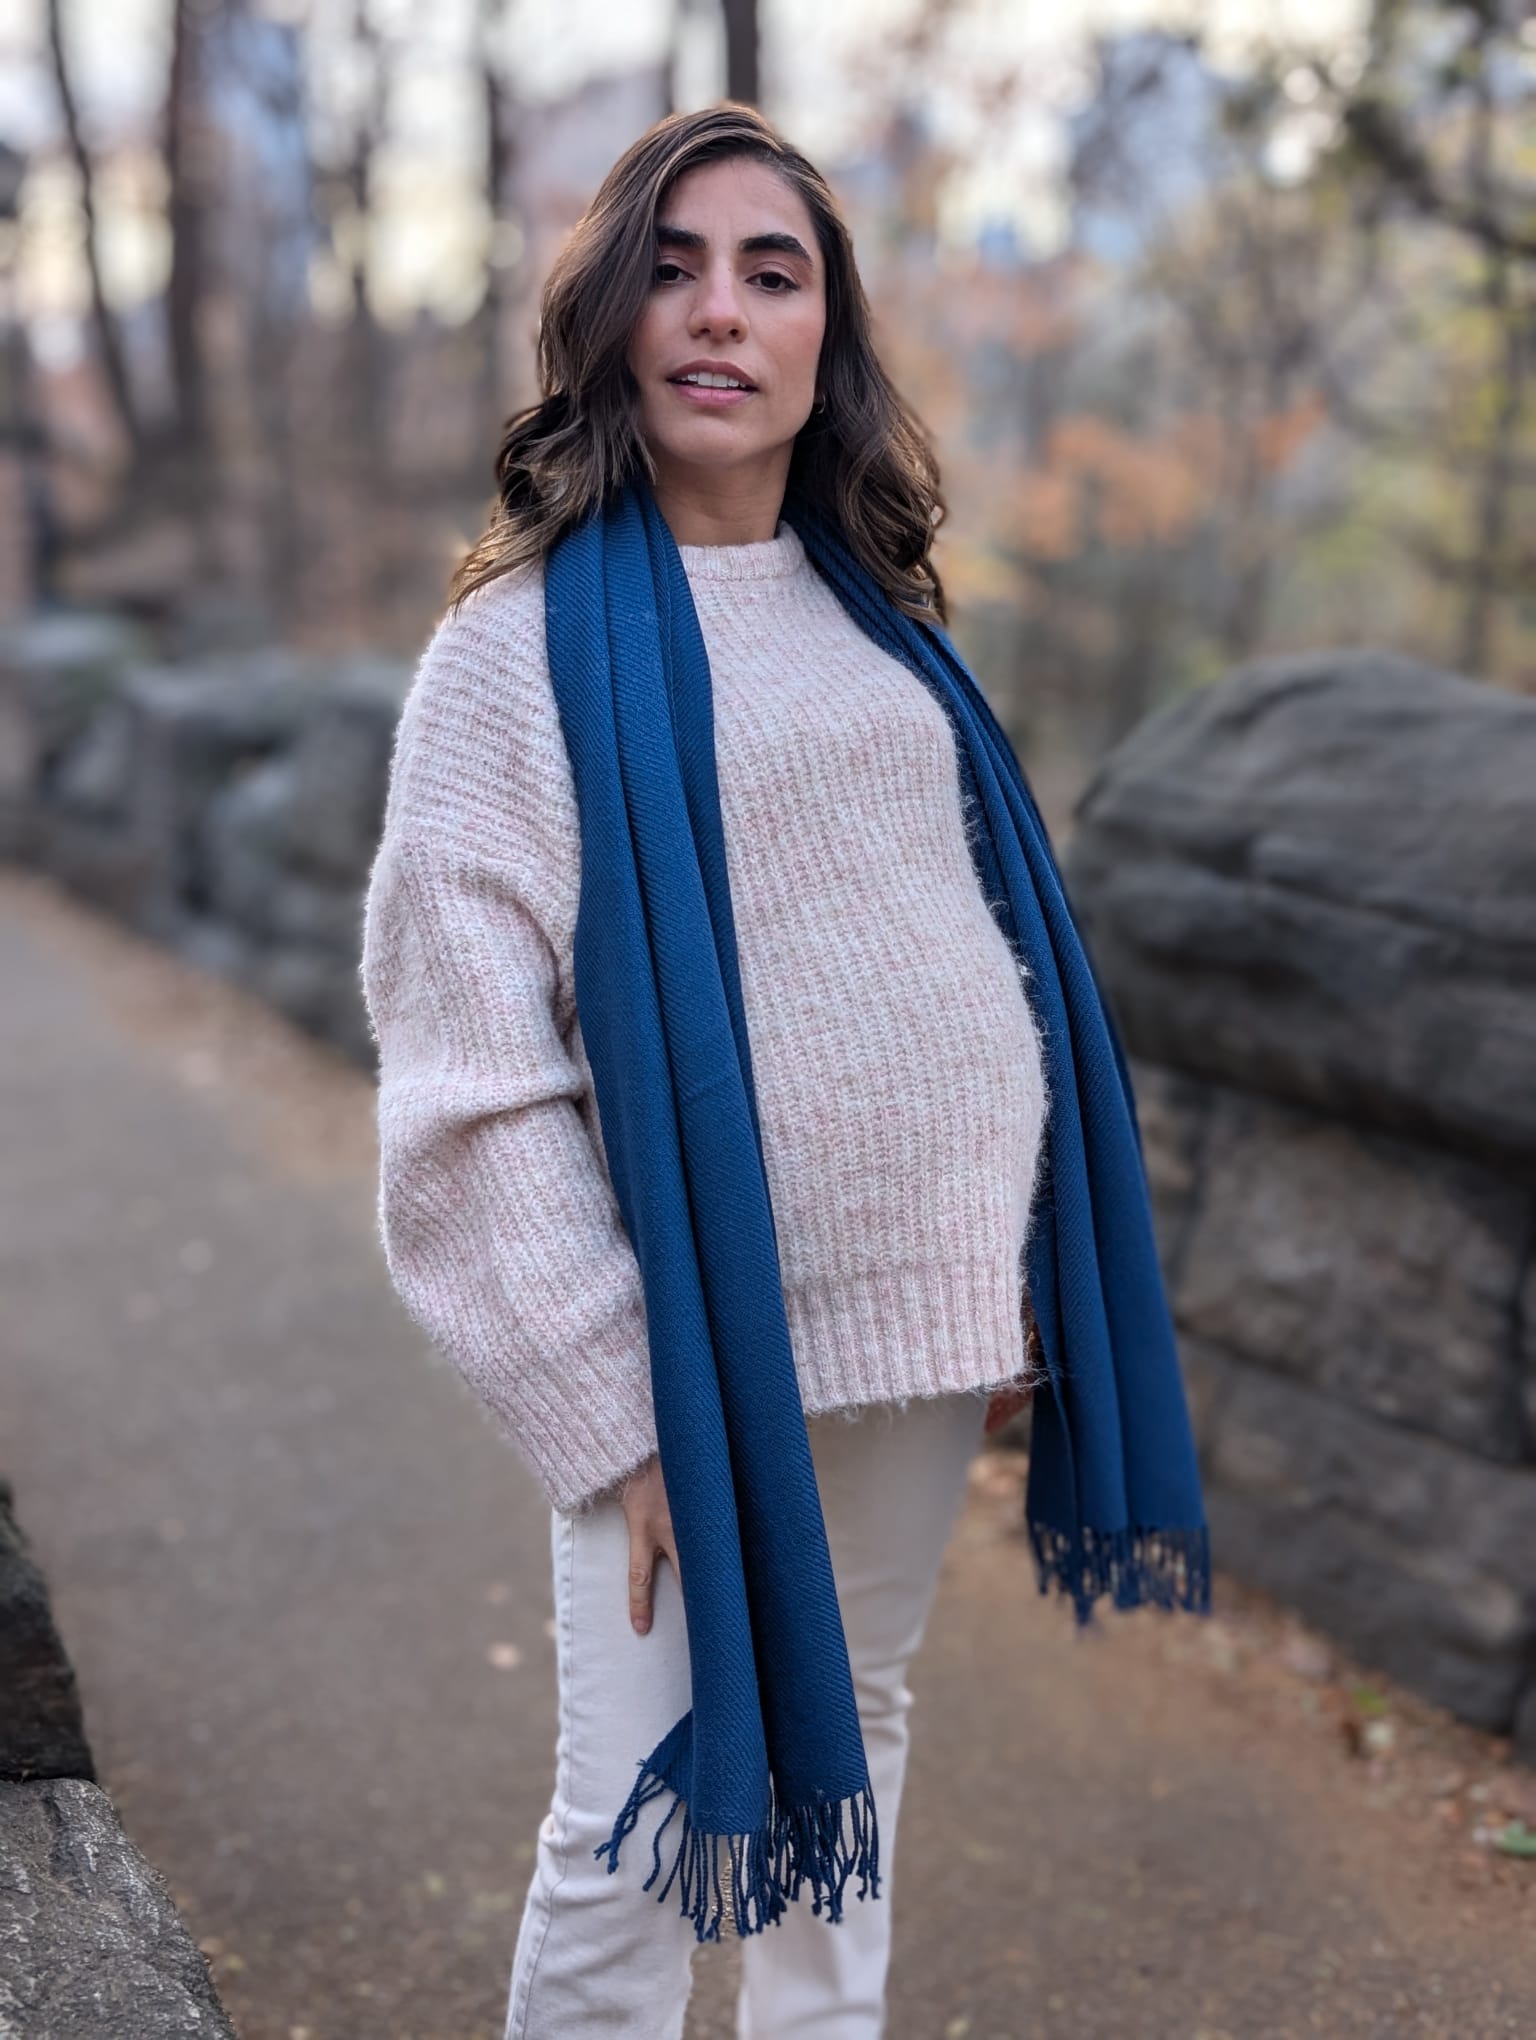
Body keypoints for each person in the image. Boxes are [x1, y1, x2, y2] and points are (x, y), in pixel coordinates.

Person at [360, 101, 1203, 2040]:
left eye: (774, 271)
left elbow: (967, 963)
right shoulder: (510, 663)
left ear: (831, 337)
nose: (720, 312)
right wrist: (611, 1409)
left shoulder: (885, 628)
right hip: (675, 1357)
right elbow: (468, 1085)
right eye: (673, 267)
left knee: (868, 1735)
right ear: (607, 323)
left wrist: (1003, 1286)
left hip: (914, 1318)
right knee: (633, 1833)